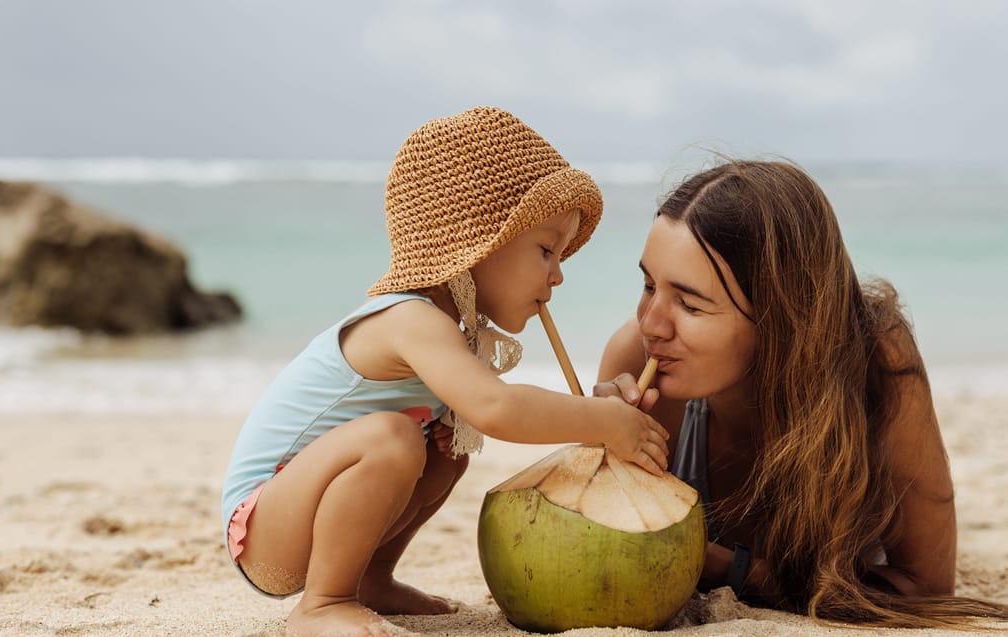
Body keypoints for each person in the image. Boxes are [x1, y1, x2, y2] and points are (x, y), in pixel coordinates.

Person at [220, 106, 671, 637]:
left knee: (448, 445)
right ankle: (323, 602)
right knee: (393, 438)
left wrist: (596, 415)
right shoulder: (408, 317)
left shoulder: (450, 330)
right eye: (547, 250)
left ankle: (370, 578)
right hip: (264, 525)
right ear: (475, 241)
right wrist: (601, 422)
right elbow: (499, 407)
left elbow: (490, 412)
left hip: (308, 514)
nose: (558, 274)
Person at [595, 159, 1008, 628]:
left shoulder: (876, 362)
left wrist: (724, 567)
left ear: (781, 316)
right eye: (649, 284)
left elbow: (927, 590)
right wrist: (604, 461)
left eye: (689, 304)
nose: (650, 324)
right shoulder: (635, 359)